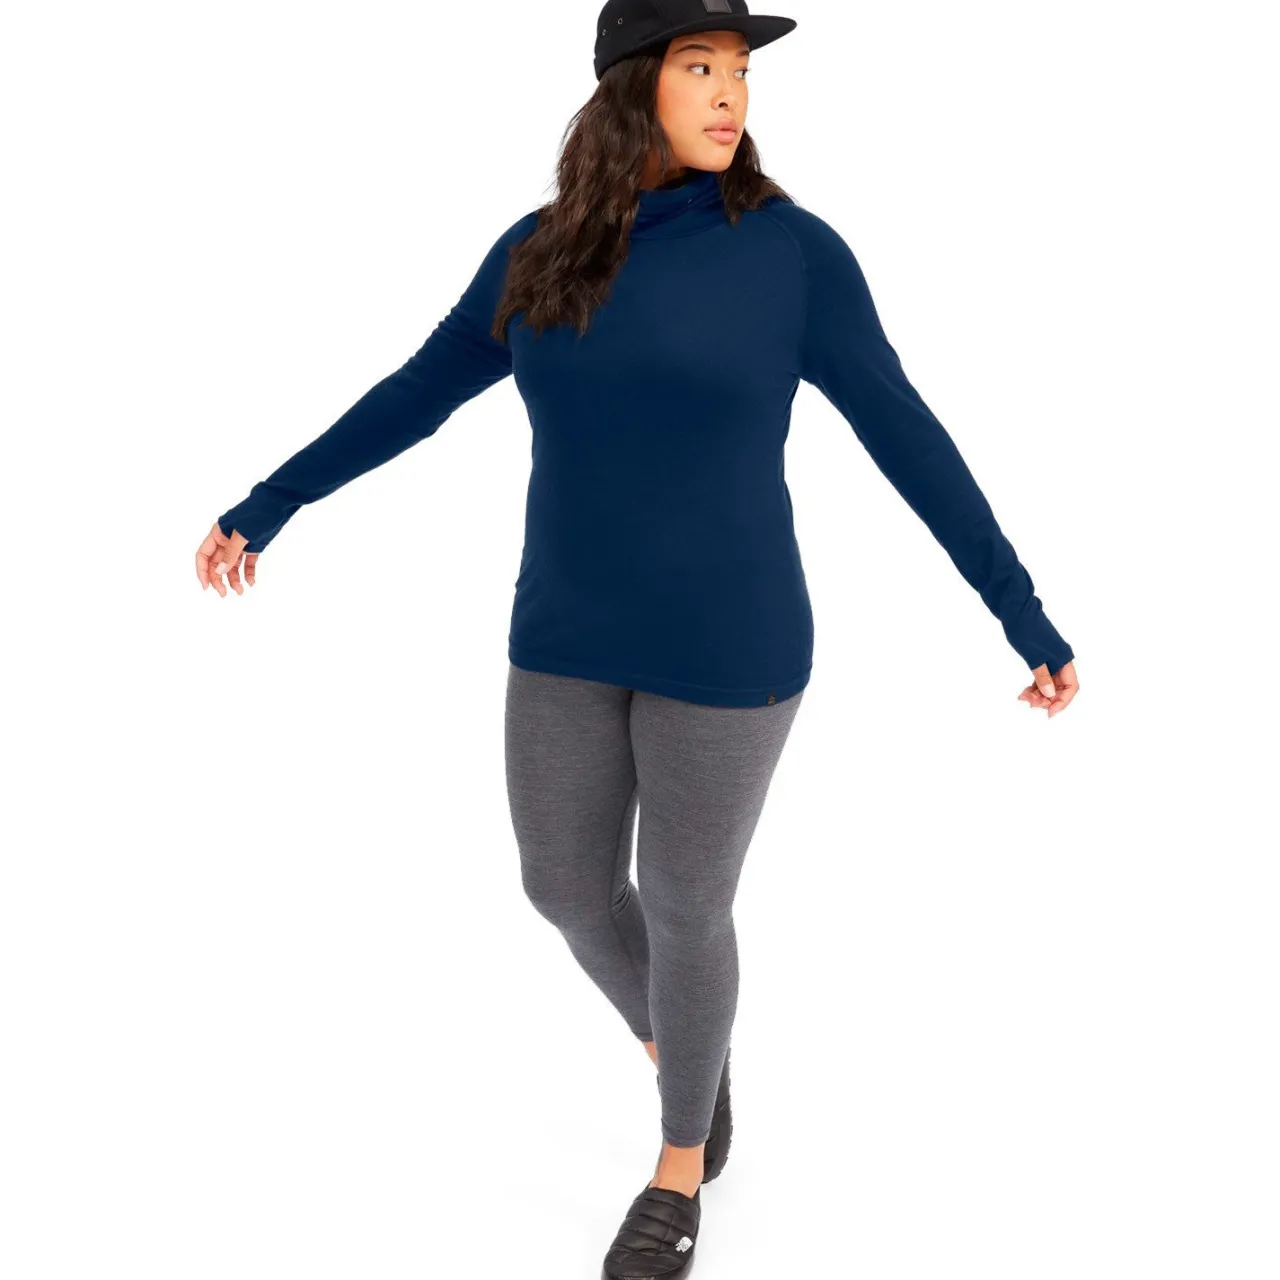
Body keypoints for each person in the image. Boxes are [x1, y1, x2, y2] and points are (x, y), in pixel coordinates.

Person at [196, 0, 1081, 1273]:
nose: (729, 94)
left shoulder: (791, 255)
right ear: (630, 87)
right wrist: (269, 501)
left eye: (738, 72)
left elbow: (905, 433)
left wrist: (1017, 608)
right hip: (563, 630)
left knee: (681, 899)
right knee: (560, 883)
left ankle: (677, 1163)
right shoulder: (543, 250)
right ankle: (688, 1053)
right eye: (697, 67)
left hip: (730, 647)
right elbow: (415, 393)